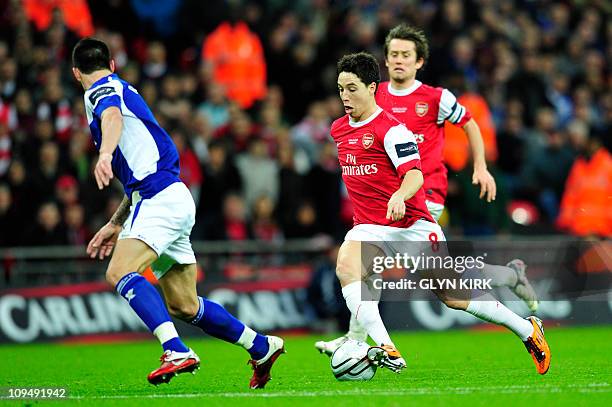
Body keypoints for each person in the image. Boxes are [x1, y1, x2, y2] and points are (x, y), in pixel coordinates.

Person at [320, 52, 550, 375]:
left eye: (352, 88)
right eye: (341, 88)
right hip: (369, 226)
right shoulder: (338, 129)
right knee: (349, 267)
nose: (345, 96)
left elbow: (415, 175)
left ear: (372, 88)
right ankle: (388, 349)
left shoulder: (393, 130)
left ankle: (527, 329)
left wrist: (400, 195)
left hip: (411, 225)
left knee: (453, 295)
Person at [72, 38, 284, 387]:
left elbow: (109, 116)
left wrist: (105, 154)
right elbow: (137, 174)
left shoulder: (98, 91)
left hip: (158, 200)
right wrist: (115, 223)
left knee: (119, 272)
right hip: (169, 197)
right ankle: (260, 346)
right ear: (112, 63)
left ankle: (175, 349)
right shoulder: (122, 85)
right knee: (185, 306)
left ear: (76, 72)